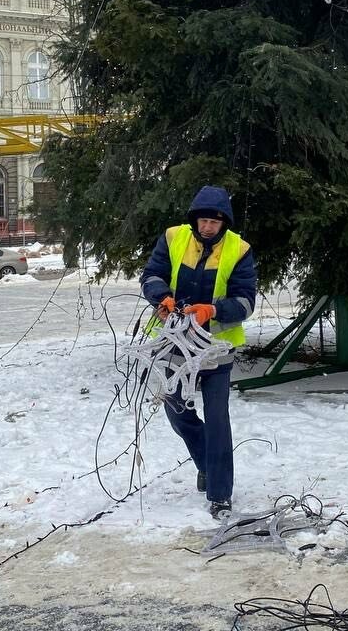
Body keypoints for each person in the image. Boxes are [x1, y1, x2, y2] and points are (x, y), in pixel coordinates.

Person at [140, 186, 257, 520]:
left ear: (224, 223)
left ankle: (220, 494)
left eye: (214, 223)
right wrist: (161, 297)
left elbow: (246, 300)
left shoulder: (240, 250)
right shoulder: (174, 237)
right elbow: (151, 275)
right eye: (203, 221)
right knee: (177, 412)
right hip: (174, 345)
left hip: (216, 351)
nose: (208, 227)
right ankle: (208, 462)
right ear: (195, 219)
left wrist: (215, 310)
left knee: (218, 419)